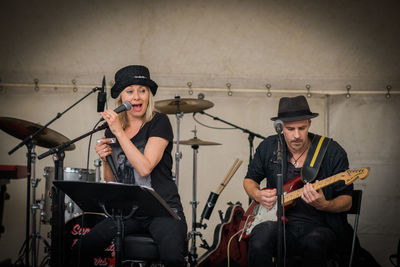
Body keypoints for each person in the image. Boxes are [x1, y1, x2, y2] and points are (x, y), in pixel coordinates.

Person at [73, 65, 187, 266]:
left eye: (142, 90)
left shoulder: (159, 121)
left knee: (172, 259)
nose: (137, 97)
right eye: (130, 91)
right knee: (82, 248)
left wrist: (119, 133)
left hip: (163, 210)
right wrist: (105, 160)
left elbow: (145, 168)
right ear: (120, 99)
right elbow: (113, 183)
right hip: (130, 212)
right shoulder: (112, 130)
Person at [243, 95, 353, 267]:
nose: (296, 135)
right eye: (290, 129)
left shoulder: (332, 151)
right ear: (280, 126)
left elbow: (347, 201)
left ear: (309, 123)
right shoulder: (269, 147)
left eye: (302, 128)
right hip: (276, 223)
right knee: (259, 239)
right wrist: (258, 194)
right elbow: (250, 180)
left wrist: (324, 204)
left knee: (314, 244)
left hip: (320, 227)